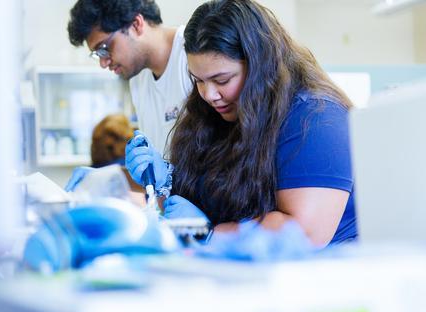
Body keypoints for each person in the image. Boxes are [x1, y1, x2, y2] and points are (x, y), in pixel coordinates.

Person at [125, 0, 357, 247]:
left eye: (221, 80)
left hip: (318, 274)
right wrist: (166, 184)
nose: (209, 94)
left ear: (260, 65)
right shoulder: (218, 113)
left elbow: (304, 231)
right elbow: (216, 198)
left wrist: (210, 234)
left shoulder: (316, 118)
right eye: (199, 80)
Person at [67, 0, 192, 155]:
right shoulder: (138, 77)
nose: (103, 63)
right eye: (97, 54)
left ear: (136, 24)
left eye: (104, 48)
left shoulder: (193, 53)